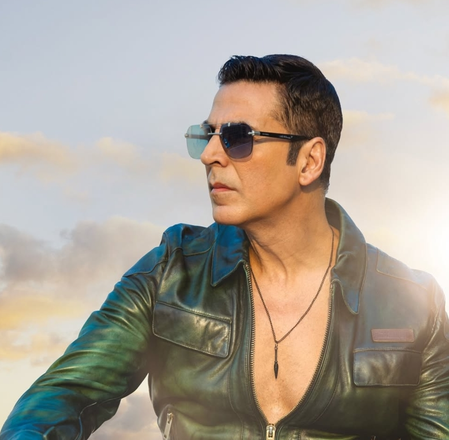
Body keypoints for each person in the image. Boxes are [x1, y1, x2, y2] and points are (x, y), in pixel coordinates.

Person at [2, 54, 449, 440]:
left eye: (238, 137)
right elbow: (59, 399)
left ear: (309, 160)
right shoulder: (171, 273)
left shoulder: (412, 303)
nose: (209, 155)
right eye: (208, 134)